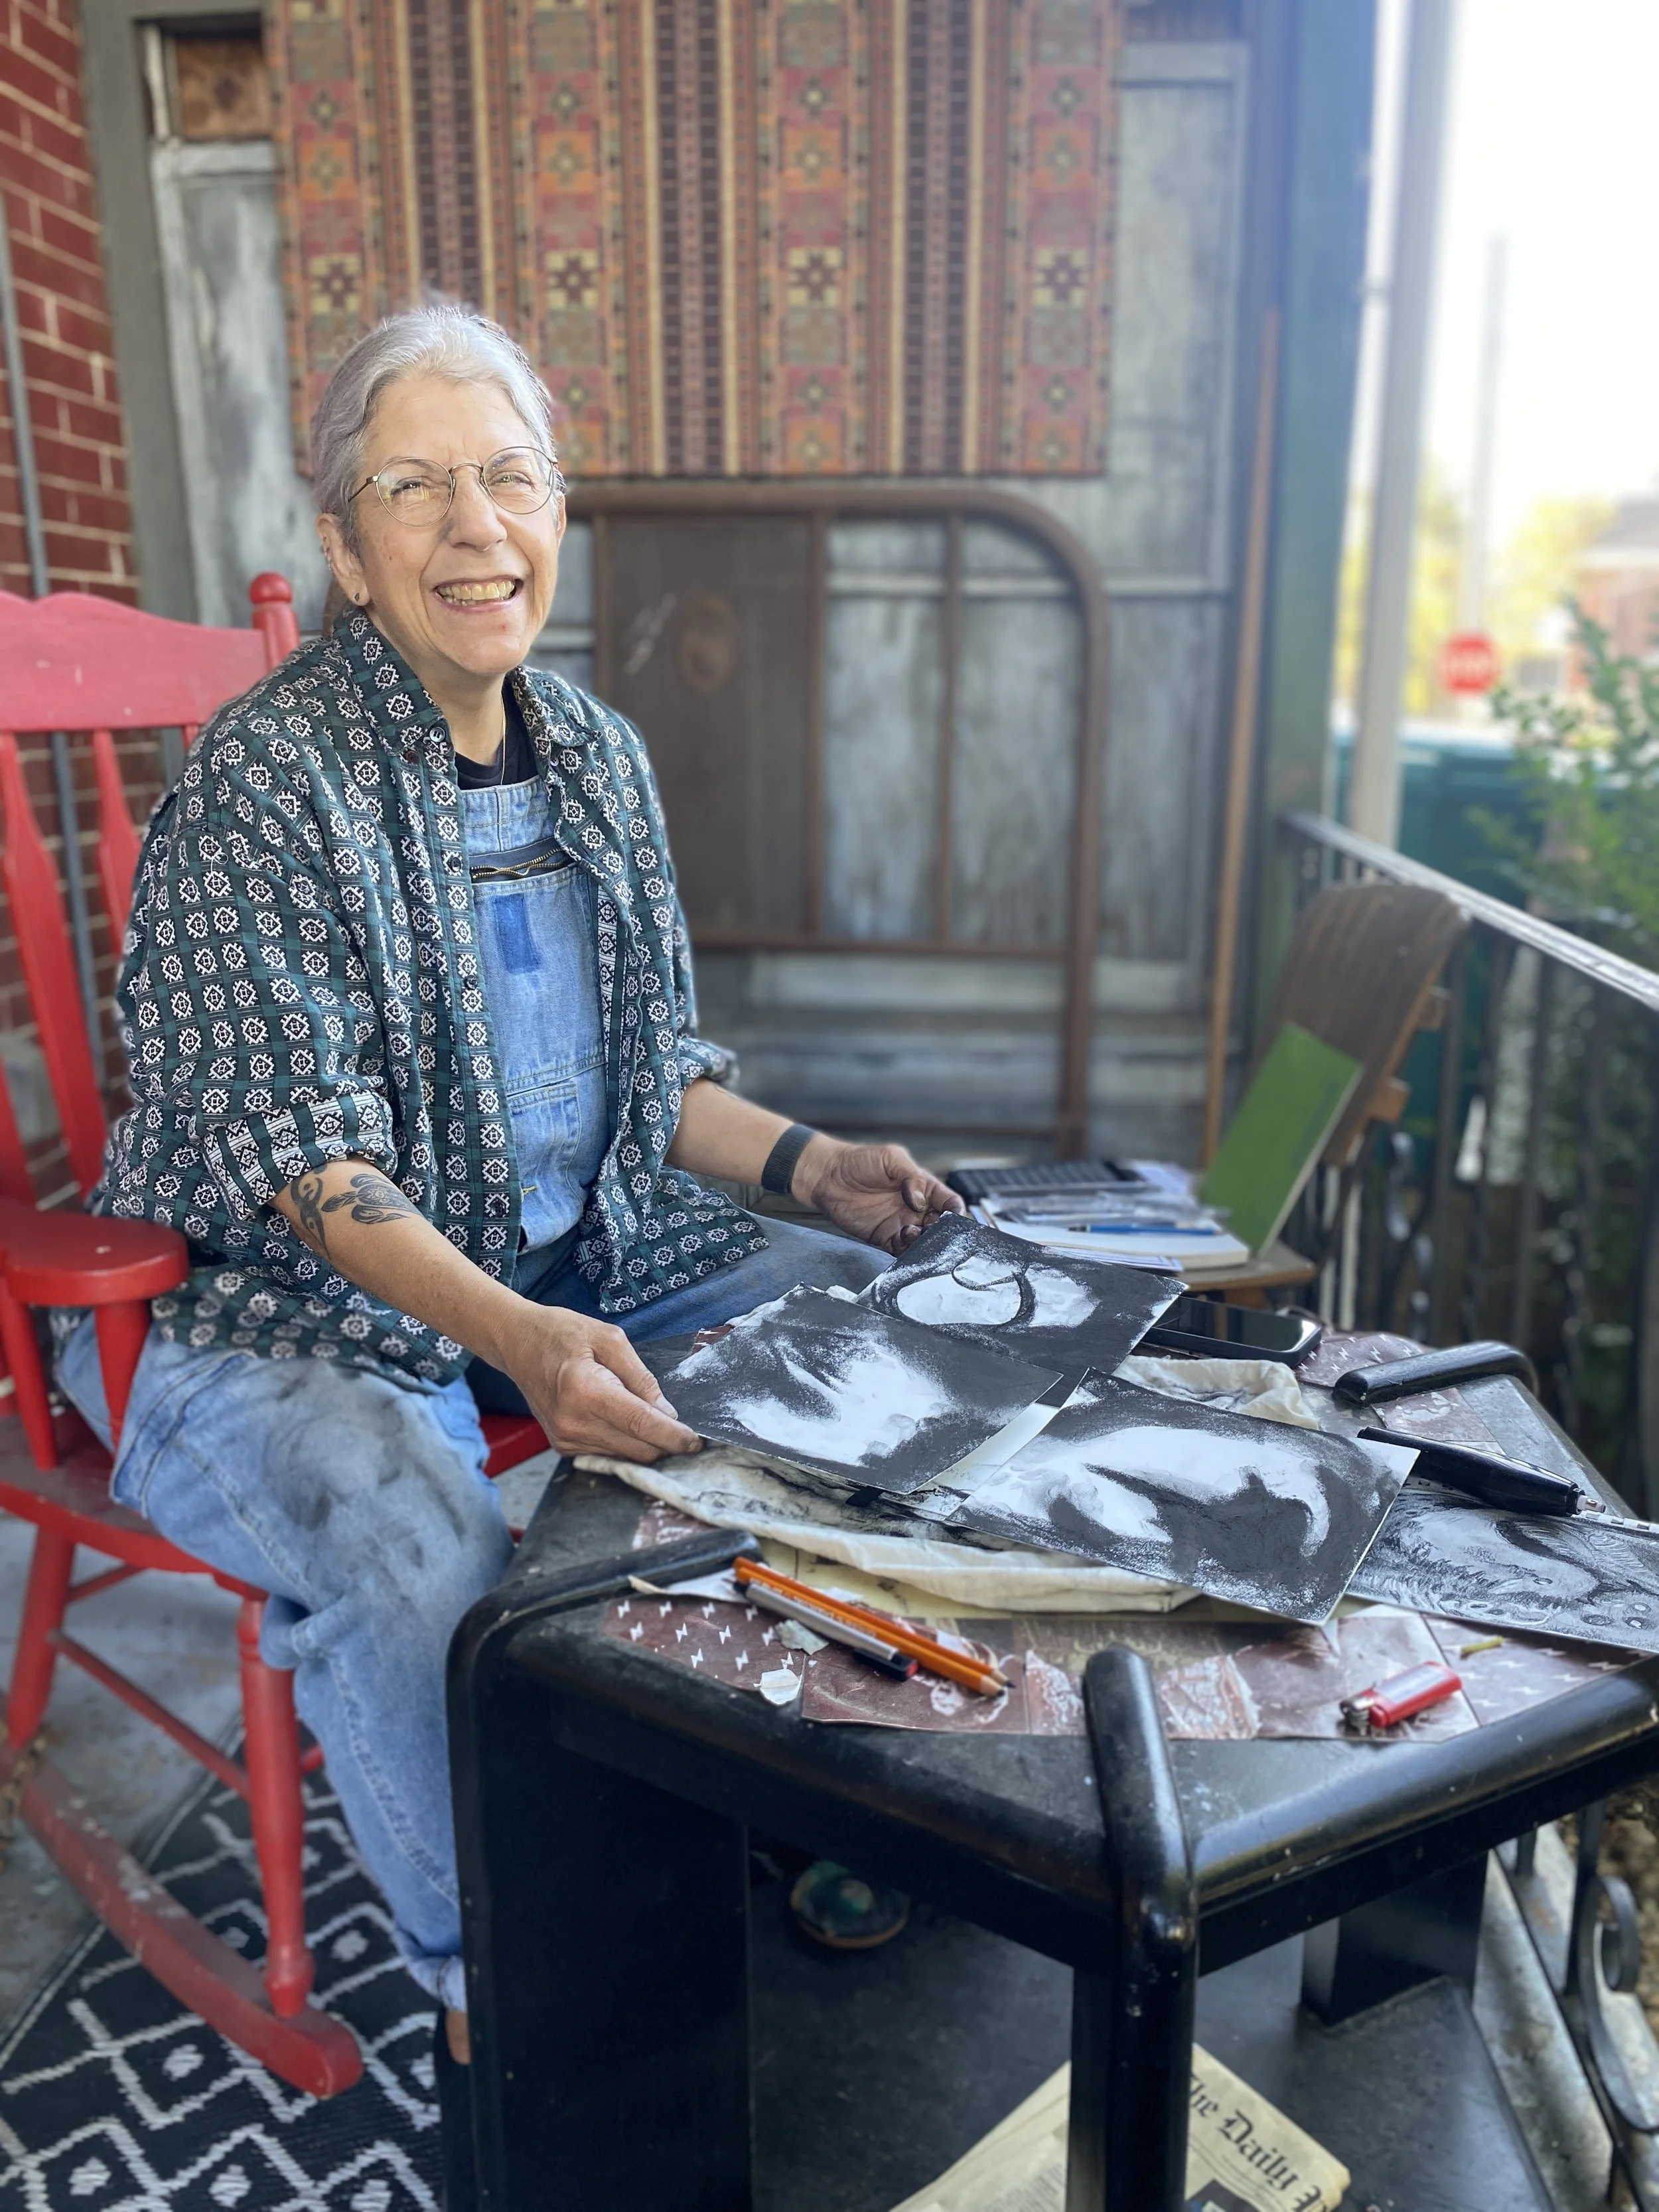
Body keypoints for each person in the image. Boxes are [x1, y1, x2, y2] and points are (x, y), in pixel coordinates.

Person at [56, 302, 962, 2089]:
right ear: (344, 543)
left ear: (557, 510)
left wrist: (809, 1165)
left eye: (511, 477)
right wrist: (521, 1334)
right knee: (422, 1554)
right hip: (264, 1305)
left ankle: (790, 1786)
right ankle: (510, 1975)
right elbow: (313, 1173)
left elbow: (652, 1076)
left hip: (566, 1261)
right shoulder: (265, 781)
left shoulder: (600, 758)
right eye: (417, 487)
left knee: (856, 1377)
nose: (478, 526)